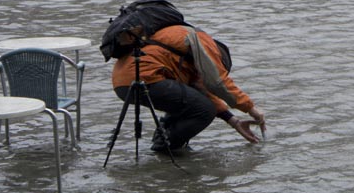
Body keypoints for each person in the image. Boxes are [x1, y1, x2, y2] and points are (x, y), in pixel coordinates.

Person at [111, 24, 265, 153]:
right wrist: (251, 108)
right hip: (144, 78)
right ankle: (165, 149)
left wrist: (233, 121)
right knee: (204, 110)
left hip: (122, 82)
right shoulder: (204, 43)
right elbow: (217, 82)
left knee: (189, 101)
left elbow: (200, 90)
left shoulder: (181, 48)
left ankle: (163, 145)